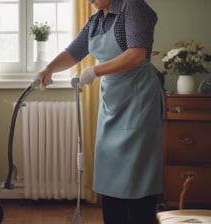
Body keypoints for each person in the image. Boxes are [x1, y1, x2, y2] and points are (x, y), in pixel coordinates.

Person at [36, 0, 164, 223]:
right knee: (110, 174)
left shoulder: (132, 7)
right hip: (113, 104)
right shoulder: (95, 21)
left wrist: (96, 70)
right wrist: (49, 69)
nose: (89, 0)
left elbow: (137, 54)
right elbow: (74, 51)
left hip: (139, 101)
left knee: (137, 176)